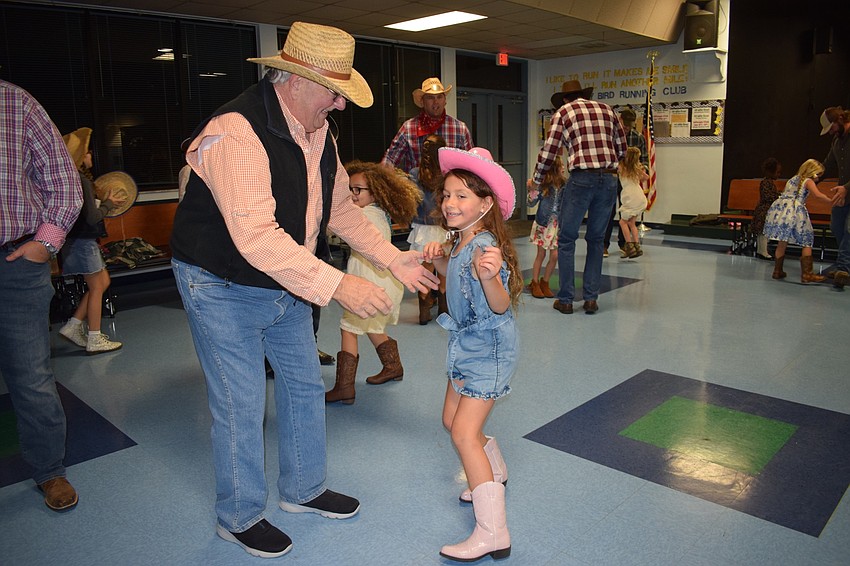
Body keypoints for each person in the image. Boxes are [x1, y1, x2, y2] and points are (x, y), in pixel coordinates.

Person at [169, 22, 438, 559]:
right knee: (241, 402)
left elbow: (340, 212)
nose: (339, 104)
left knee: (302, 387)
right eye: (334, 91)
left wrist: (394, 258)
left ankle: (303, 490)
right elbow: (255, 237)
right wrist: (340, 284)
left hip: (286, 280)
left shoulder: (319, 132)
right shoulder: (236, 130)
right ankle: (239, 517)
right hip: (219, 281)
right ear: (294, 79)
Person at [422, 146, 520, 563]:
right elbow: (455, 279)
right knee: (451, 421)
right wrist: (439, 261)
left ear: (486, 204)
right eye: (446, 194)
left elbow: (498, 304)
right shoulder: (460, 243)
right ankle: (494, 472)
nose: (449, 203)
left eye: (462, 195)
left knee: (463, 433)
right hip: (465, 345)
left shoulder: (484, 249)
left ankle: (493, 532)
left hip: (490, 350)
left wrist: (490, 276)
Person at [0, 79, 83, 511]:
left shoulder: (16, 103)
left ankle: (49, 470)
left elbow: (65, 184)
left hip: (14, 262)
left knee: (30, 376)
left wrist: (43, 245)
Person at [325, 161, 421, 404]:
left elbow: (337, 228)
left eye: (359, 190)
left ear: (375, 193)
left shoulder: (365, 215)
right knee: (372, 326)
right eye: (350, 189)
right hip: (381, 282)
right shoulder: (377, 213)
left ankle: (344, 387)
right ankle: (393, 366)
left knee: (349, 327)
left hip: (370, 282)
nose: (352, 195)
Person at [531, 80, 627, 315]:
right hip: (609, 178)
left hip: (582, 178)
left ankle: (565, 300)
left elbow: (550, 150)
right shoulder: (608, 110)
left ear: (565, 99)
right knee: (596, 240)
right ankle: (591, 299)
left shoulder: (563, 113)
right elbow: (622, 148)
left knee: (566, 239)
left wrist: (536, 179)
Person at [57, 127, 125, 354]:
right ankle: (94, 337)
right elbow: (92, 216)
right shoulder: (81, 181)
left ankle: (74, 325)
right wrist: (108, 204)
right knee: (97, 287)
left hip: (75, 240)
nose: (90, 156)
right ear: (78, 156)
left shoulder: (70, 179)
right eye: (86, 153)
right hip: (82, 241)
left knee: (102, 281)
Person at [381, 77, 473, 173]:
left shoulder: (460, 129)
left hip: (448, 186)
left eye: (439, 97)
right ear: (422, 102)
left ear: (445, 101)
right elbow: (390, 160)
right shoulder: (408, 128)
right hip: (416, 186)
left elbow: (470, 164)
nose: (436, 102)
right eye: (430, 97)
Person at [763, 159, 832, 283]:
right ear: (813, 172)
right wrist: (831, 201)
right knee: (807, 240)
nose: (818, 179)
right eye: (818, 175)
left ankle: (777, 271)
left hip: (783, 213)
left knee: (782, 241)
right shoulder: (808, 181)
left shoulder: (792, 179)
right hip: (796, 212)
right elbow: (817, 195)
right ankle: (807, 274)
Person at [408, 133, 448, 324]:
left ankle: (424, 311)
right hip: (443, 228)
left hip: (422, 229)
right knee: (443, 271)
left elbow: (412, 201)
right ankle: (444, 309)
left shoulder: (415, 174)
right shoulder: (448, 173)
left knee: (425, 271)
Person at [605, 107, 647, 257]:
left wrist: (641, 169)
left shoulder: (638, 138)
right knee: (608, 212)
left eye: (630, 125)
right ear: (620, 120)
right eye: (625, 124)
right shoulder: (610, 136)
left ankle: (626, 244)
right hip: (612, 178)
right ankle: (604, 244)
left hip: (629, 183)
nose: (627, 127)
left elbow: (644, 160)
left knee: (627, 216)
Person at [526, 154, 565, 298]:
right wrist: (532, 190)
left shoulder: (564, 185)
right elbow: (530, 203)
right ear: (555, 169)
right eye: (561, 166)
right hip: (543, 224)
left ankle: (545, 282)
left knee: (555, 256)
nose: (563, 168)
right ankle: (535, 282)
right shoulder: (544, 185)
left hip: (556, 225)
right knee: (541, 254)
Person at [819, 106, 850, 289]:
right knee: (836, 225)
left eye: (831, 128)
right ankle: (844, 265)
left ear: (838, 120)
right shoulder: (837, 142)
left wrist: (846, 188)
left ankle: (843, 269)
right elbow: (828, 164)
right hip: (844, 194)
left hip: (846, 190)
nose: (830, 132)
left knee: (849, 230)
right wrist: (814, 176)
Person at [618, 147, 649, 259]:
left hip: (629, 196)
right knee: (632, 223)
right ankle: (637, 246)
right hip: (639, 195)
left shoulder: (622, 167)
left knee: (622, 222)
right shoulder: (637, 169)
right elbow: (646, 177)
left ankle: (629, 246)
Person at [752, 157, 782, 260]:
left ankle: (761, 251)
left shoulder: (768, 182)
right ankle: (763, 251)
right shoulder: (766, 183)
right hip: (764, 210)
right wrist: (779, 196)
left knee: (762, 232)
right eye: (777, 172)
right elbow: (767, 196)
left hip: (765, 209)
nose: (779, 175)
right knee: (763, 231)